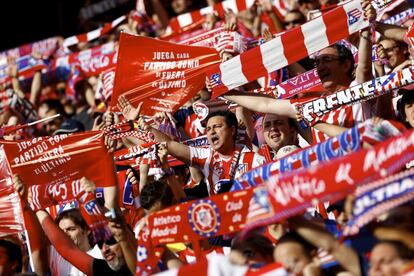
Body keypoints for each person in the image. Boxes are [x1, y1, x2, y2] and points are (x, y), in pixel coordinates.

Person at [118, 96, 266, 195]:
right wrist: (140, 125)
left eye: (217, 127)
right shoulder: (206, 156)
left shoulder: (256, 160)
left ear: (232, 130)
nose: (211, 132)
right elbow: (169, 144)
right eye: (208, 129)